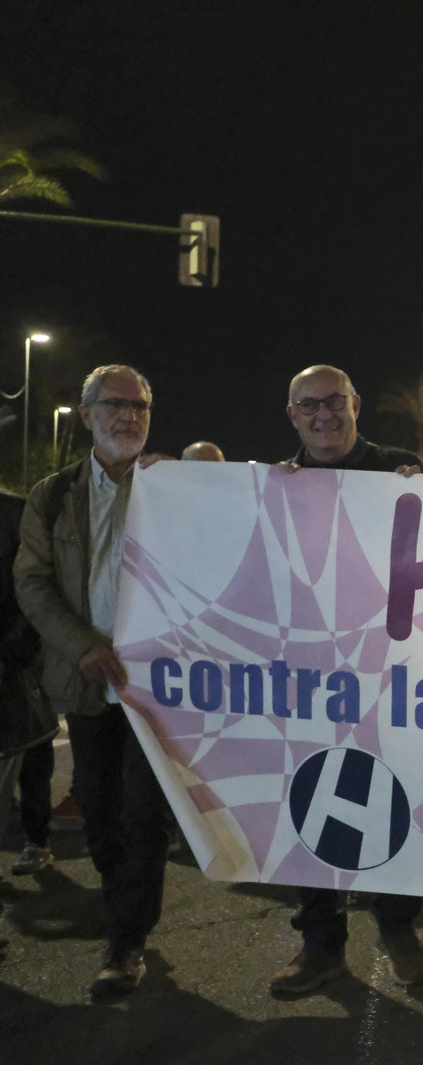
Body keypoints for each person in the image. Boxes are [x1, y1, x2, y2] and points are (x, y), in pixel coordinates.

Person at [268, 364, 423, 995]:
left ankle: (398, 928)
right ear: (292, 414)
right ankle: (320, 945)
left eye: (334, 402)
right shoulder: (278, 484)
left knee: (396, 796)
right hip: (307, 676)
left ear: (356, 404)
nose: (323, 415)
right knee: (309, 803)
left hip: (387, 672)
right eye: (308, 405)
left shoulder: (400, 468)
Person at [13, 365, 173, 997]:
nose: (129, 416)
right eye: (115, 404)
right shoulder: (52, 496)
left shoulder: (172, 487)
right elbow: (32, 582)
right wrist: (82, 645)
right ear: (86, 415)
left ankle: (127, 938)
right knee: (97, 804)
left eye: (140, 405)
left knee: (143, 809)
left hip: (156, 689)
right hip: (87, 686)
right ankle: (122, 905)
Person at [1, 487, 54, 880]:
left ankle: (37, 839)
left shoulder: (16, 512)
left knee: (32, 753)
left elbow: (34, 589)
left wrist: (11, 655)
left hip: (16, 663)